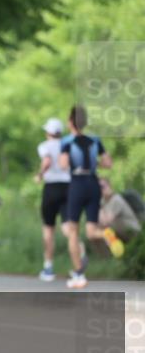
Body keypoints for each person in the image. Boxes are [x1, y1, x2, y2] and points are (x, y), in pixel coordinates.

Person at [59, 105, 112, 289]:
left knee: (73, 231)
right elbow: (108, 163)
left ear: (71, 122)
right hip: (93, 184)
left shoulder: (66, 141)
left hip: (77, 184)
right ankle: (105, 233)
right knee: (91, 231)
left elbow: (64, 164)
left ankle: (79, 274)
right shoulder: (96, 140)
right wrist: (95, 162)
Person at [33, 117, 69, 281]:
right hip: (68, 187)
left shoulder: (44, 146)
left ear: (48, 132)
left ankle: (48, 268)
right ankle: (80, 260)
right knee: (69, 227)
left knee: (48, 229)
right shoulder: (68, 144)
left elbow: (47, 161)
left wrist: (40, 174)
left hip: (52, 187)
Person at [99, 177, 139, 257]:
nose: (101, 189)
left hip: (131, 232)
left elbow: (106, 221)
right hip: (120, 231)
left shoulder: (116, 199)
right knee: (97, 230)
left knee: (103, 230)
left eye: (103, 186)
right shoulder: (103, 201)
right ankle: (111, 255)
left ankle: (117, 253)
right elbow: (100, 222)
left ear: (109, 186)